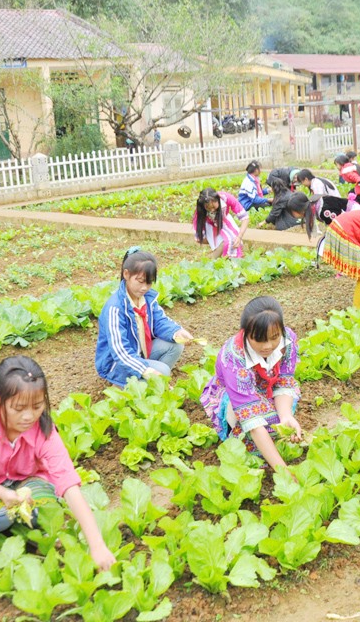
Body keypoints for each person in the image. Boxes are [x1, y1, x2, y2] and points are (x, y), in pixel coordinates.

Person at [0, 356, 116, 569]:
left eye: (38, 406)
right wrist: (3, 494)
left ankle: (26, 530)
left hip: (27, 485)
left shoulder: (43, 428)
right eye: (18, 408)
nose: (29, 416)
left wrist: (98, 546)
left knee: (49, 512)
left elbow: (67, 481)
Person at [199, 297, 302, 470]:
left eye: (274, 337)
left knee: (279, 420)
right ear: (246, 333)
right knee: (254, 431)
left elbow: (284, 380)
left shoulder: (288, 340)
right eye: (260, 339)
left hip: (268, 390)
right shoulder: (233, 355)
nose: (268, 346)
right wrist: (283, 471)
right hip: (236, 395)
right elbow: (251, 418)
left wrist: (286, 416)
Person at [95, 248, 193, 386]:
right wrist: (146, 370)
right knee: (163, 370)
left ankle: (150, 385)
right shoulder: (115, 308)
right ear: (126, 274)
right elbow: (120, 351)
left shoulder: (147, 298)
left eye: (149, 282)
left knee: (176, 345)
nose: (144, 288)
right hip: (117, 363)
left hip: (139, 352)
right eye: (140, 281)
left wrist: (177, 331)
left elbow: (160, 321)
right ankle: (126, 386)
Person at [193, 187, 250, 259]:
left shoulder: (226, 198)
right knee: (224, 242)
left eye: (214, 207)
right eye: (208, 208)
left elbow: (245, 218)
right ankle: (212, 259)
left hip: (223, 219)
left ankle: (231, 257)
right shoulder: (200, 212)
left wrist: (239, 236)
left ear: (218, 200)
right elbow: (198, 238)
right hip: (209, 224)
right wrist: (216, 240)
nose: (212, 210)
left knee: (234, 239)